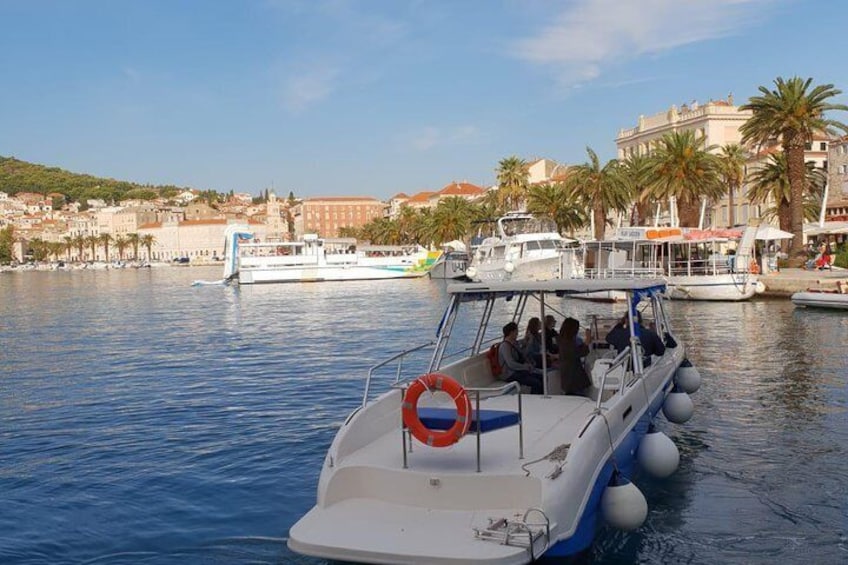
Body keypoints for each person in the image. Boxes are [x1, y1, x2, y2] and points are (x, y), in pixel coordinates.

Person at [498, 322, 544, 394]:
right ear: (511, 332)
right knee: (536, 382)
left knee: (541, 376)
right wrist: (525, 367)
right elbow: (511, 364)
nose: (517, 333)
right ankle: (535, 401)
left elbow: (523, 354)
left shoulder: (514, 343)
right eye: (516, 331)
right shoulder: (505, 346)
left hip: (517, 371)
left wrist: (529, 342)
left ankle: (540, 398)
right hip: (509, 374)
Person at [557, 317, 592, 396]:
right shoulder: (567, 342)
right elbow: (578, 352)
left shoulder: (562, 339)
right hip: (572, 376)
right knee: (576, 395)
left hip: (568, 373)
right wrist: (587, 341)